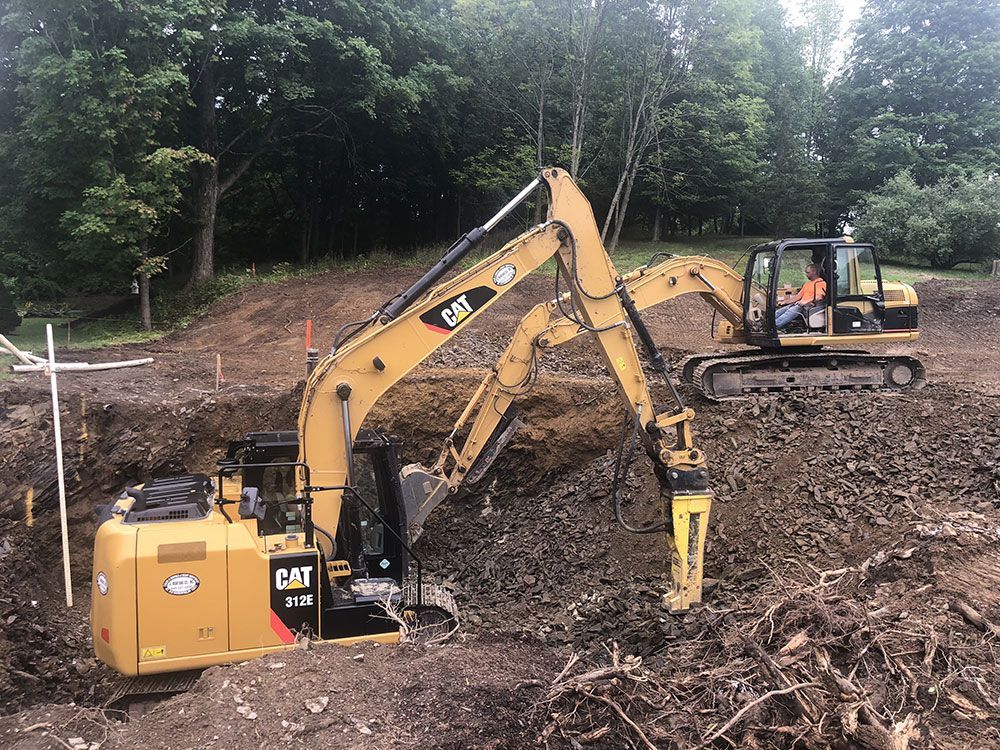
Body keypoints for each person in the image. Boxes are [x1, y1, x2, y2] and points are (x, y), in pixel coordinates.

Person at [775, 263, 826, 330]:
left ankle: (774, 326)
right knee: (779, 311)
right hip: (800, 304)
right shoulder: (807, 284)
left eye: (808, 272)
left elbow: (819, 297)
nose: (806, 274)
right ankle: (768, 324)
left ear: (814, 272)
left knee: (791, 311)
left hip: (810, 306)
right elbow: (798, 296)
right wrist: (785, 302)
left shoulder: (820, 283)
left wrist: (805, 302)